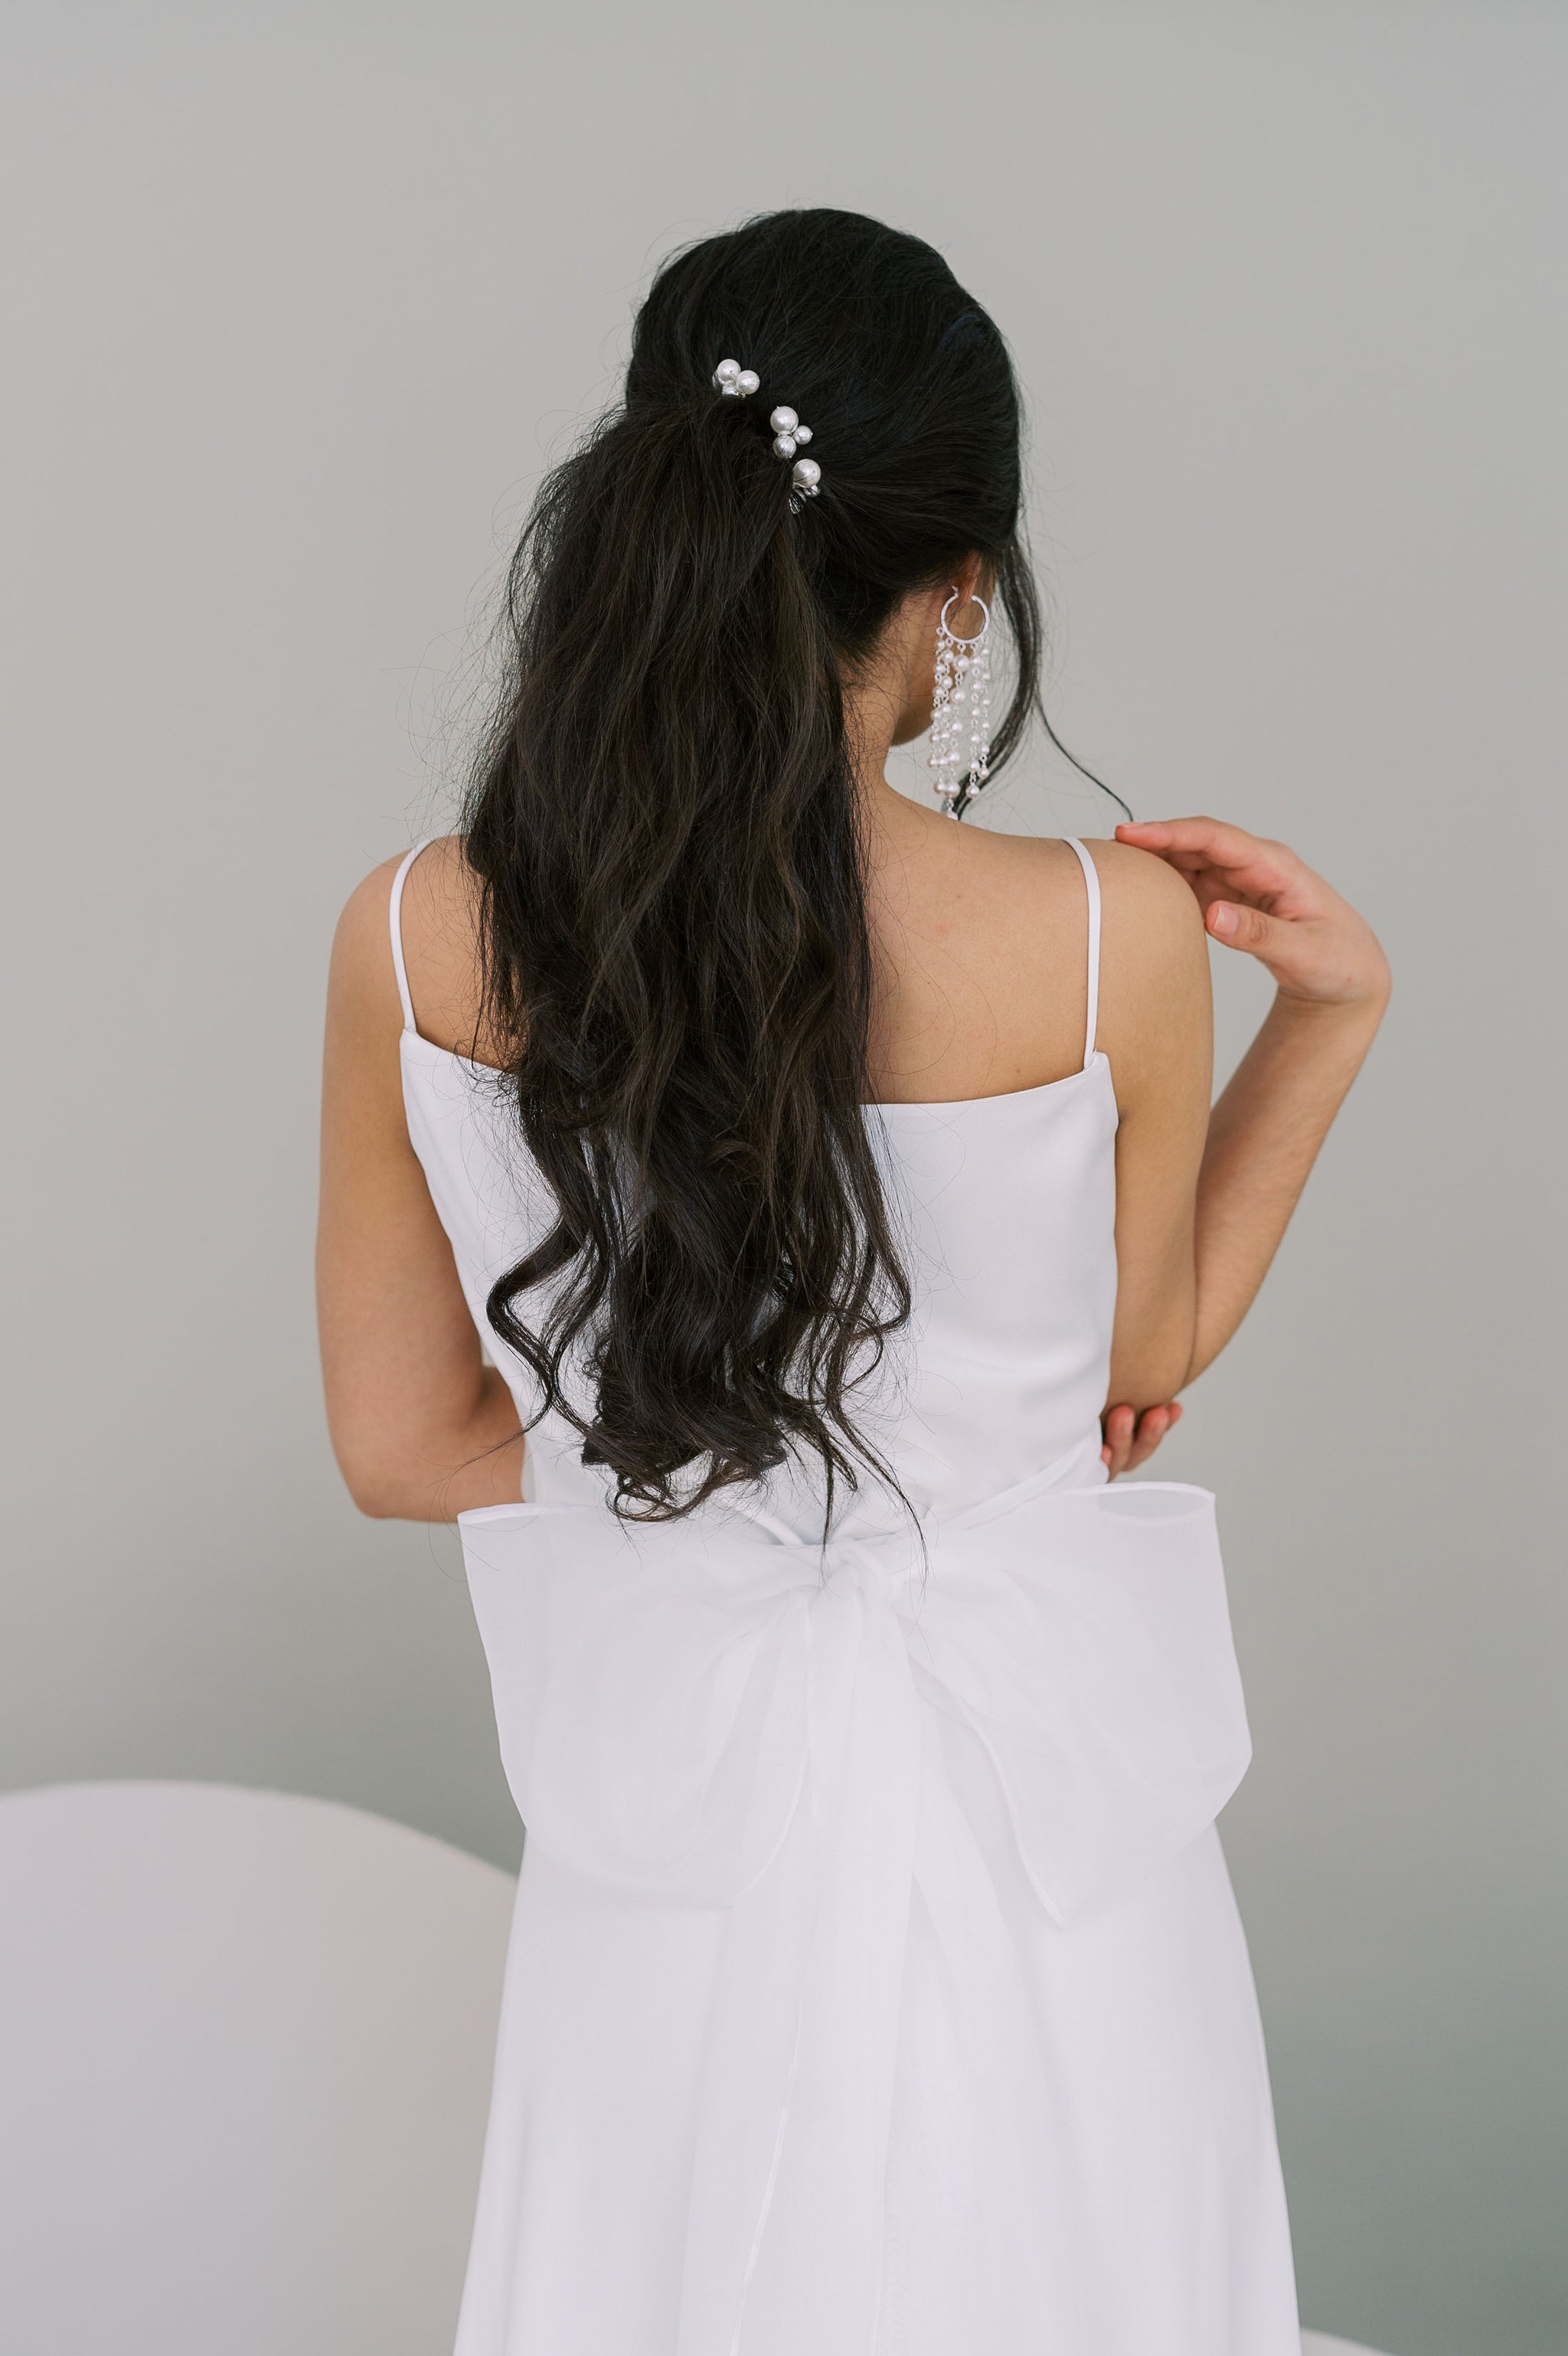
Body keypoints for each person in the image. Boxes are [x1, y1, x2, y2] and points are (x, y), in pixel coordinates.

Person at [317, 209, 1390, 2356]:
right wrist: (1331, 1016)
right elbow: (1138, 1358)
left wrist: (690, 1478)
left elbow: (406, 1444)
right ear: (957, 594)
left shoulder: (421, 934)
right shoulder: (1110, 937)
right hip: (1042, 1829)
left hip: (674, 1841)